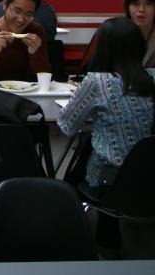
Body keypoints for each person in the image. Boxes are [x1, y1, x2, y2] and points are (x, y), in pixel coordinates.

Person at [58, 17, 155, 189]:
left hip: (108, 178)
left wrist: (80, 98)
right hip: (148, 177)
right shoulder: (152, 76)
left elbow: (67, 126)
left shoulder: (97, 82)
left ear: (103, 49)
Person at [124, 0, 155, 67]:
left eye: (148, 4)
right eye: (135, 4)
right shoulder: (116, 33)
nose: (141, 9)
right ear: (127, 8)